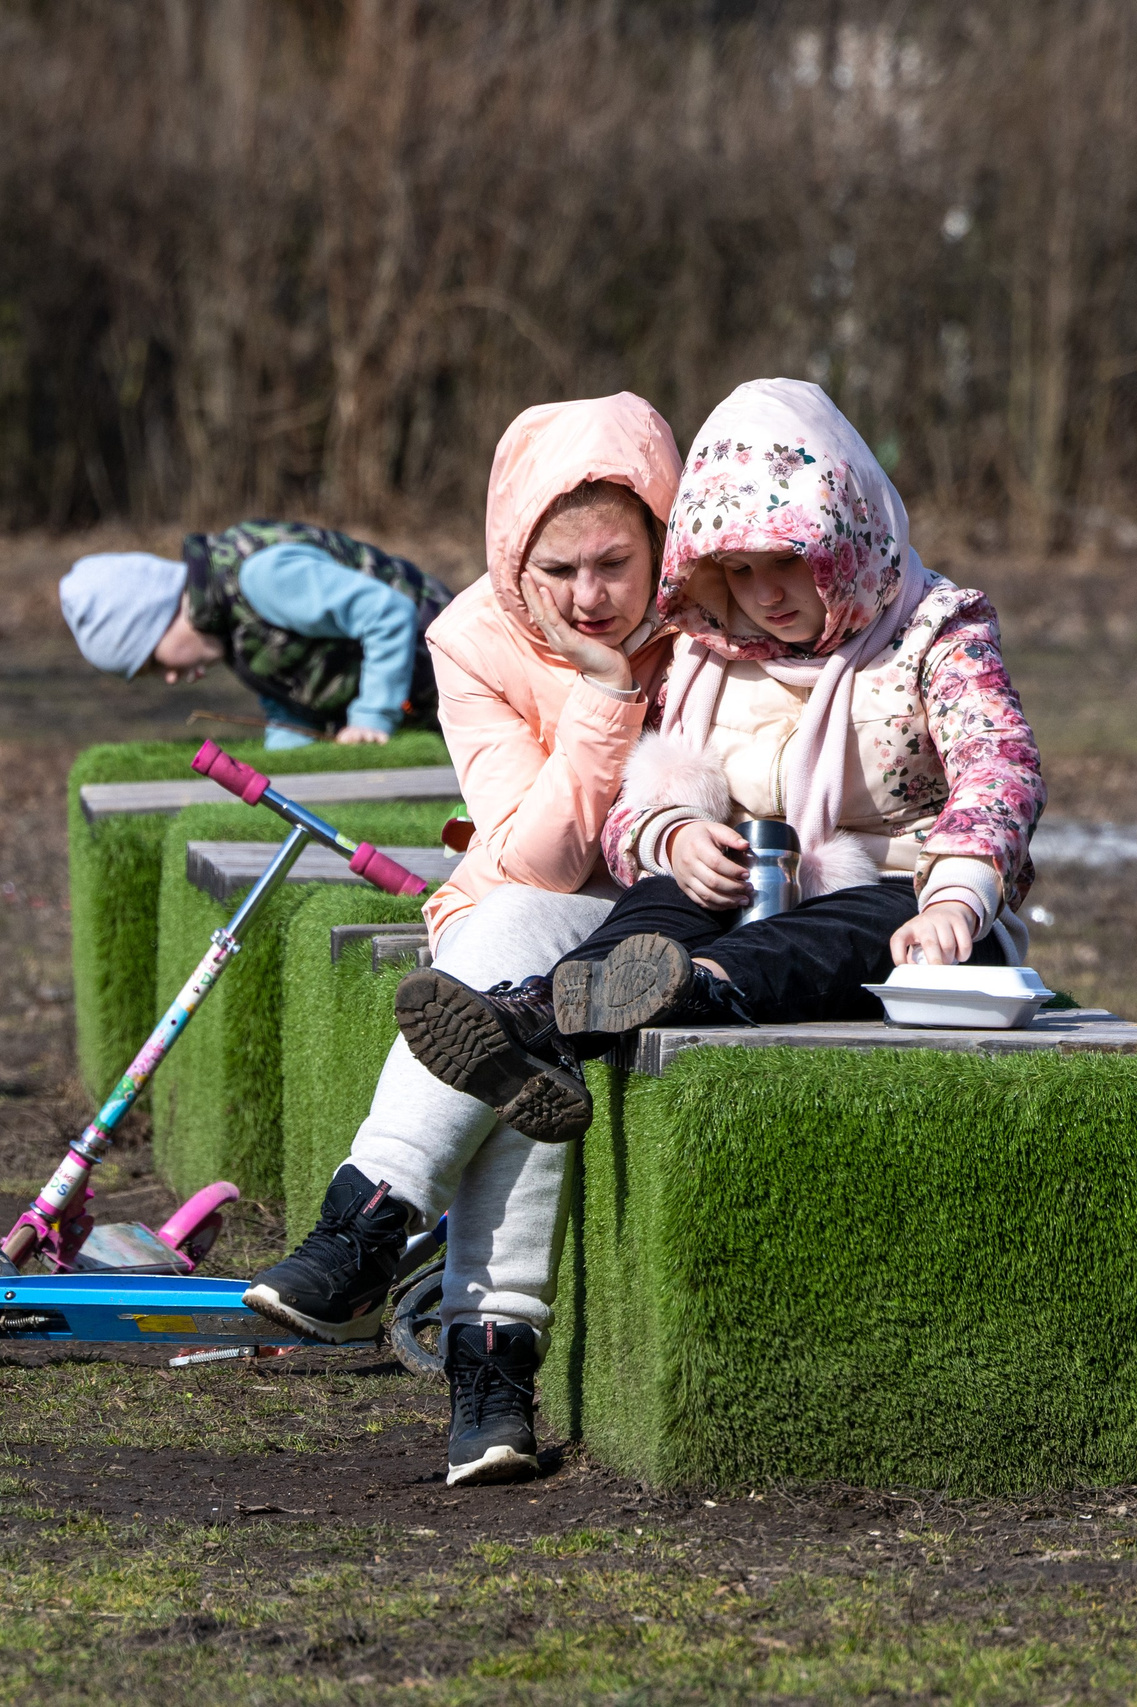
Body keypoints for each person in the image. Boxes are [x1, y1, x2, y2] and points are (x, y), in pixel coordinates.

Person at [395, 376, 1044, 1148]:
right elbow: (637, 796)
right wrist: (674, 837)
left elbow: (999, 766)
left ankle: (690, 989)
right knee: (656, 907)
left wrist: (956, 901)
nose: (764, 595)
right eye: (737, 570)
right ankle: (534, 1016)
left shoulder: (938, 632)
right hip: (745, 886)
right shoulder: (708, 647)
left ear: (845, 535)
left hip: (904, 892)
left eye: (786, 562)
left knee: (826, 930)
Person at [241, 395, 683, 1486]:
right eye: (558, 569)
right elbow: (537, 853)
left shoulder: (715, 619)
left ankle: (366, 1230)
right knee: (518, 1015)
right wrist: (605, 690)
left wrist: (622, 675)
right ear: (511, 558)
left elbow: (581, 869)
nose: (588, 595)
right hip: (526, 912)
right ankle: (489, 1383)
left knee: (511, 986)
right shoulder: (470, 639)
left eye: (614, 565)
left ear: (663, 543)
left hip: (656, 914)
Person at [60, 521, 451, 749]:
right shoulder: (229, 632)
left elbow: (388, 613)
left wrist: (371, 718)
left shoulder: (261, 579)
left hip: (464, 673)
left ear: (162, 619)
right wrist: (285, 776)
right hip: (424, 707)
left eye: (155, 663)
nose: (170, 678)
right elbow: (292, 706)